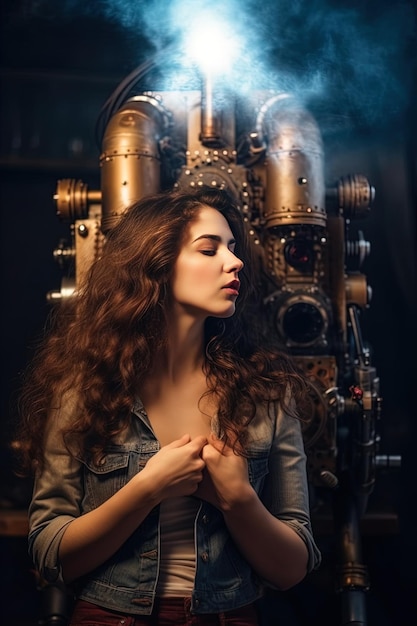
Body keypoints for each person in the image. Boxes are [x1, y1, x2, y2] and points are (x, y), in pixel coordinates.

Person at [16, 186, 321, 625]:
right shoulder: (83, 388)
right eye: (209, 248)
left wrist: (238, 499)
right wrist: (148, 487)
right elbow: (51, 554)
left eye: (232, 249)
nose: (233, 262)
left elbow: (293, 568)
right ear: (156, 263)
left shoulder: (267, 392)